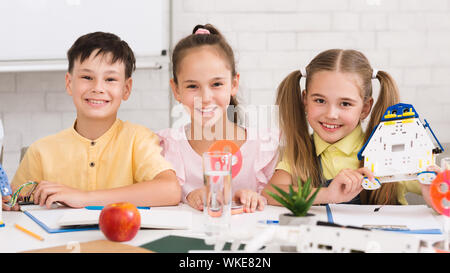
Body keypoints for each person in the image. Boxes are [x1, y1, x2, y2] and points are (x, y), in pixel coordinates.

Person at [2, 32, 181, 211]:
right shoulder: (40, 152)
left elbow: (170, 190)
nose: (98, 88)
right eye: (87, 77)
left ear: (126, 89)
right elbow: (13, 206)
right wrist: (8, 204)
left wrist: (84, 198)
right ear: (69, 83)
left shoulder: (139, 139)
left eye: (110, 79)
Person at [262, 49, 437, 206]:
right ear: (305, 101)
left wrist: (436, 197)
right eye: (320, 100)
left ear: (365, 108)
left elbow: (441, 188)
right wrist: (327, 194)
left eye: (345, 103)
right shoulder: (301, 152)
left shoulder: (391, 150)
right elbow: (271, 193)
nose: (331, 114)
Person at [158, 24, 279, 213]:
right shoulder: (166, 148)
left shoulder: (264, 148)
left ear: (233, 84)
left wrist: (256, 198)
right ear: (176, 90)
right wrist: (188, 196)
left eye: (216, 84)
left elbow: (277, 203)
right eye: (192, 86)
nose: (205, 98)